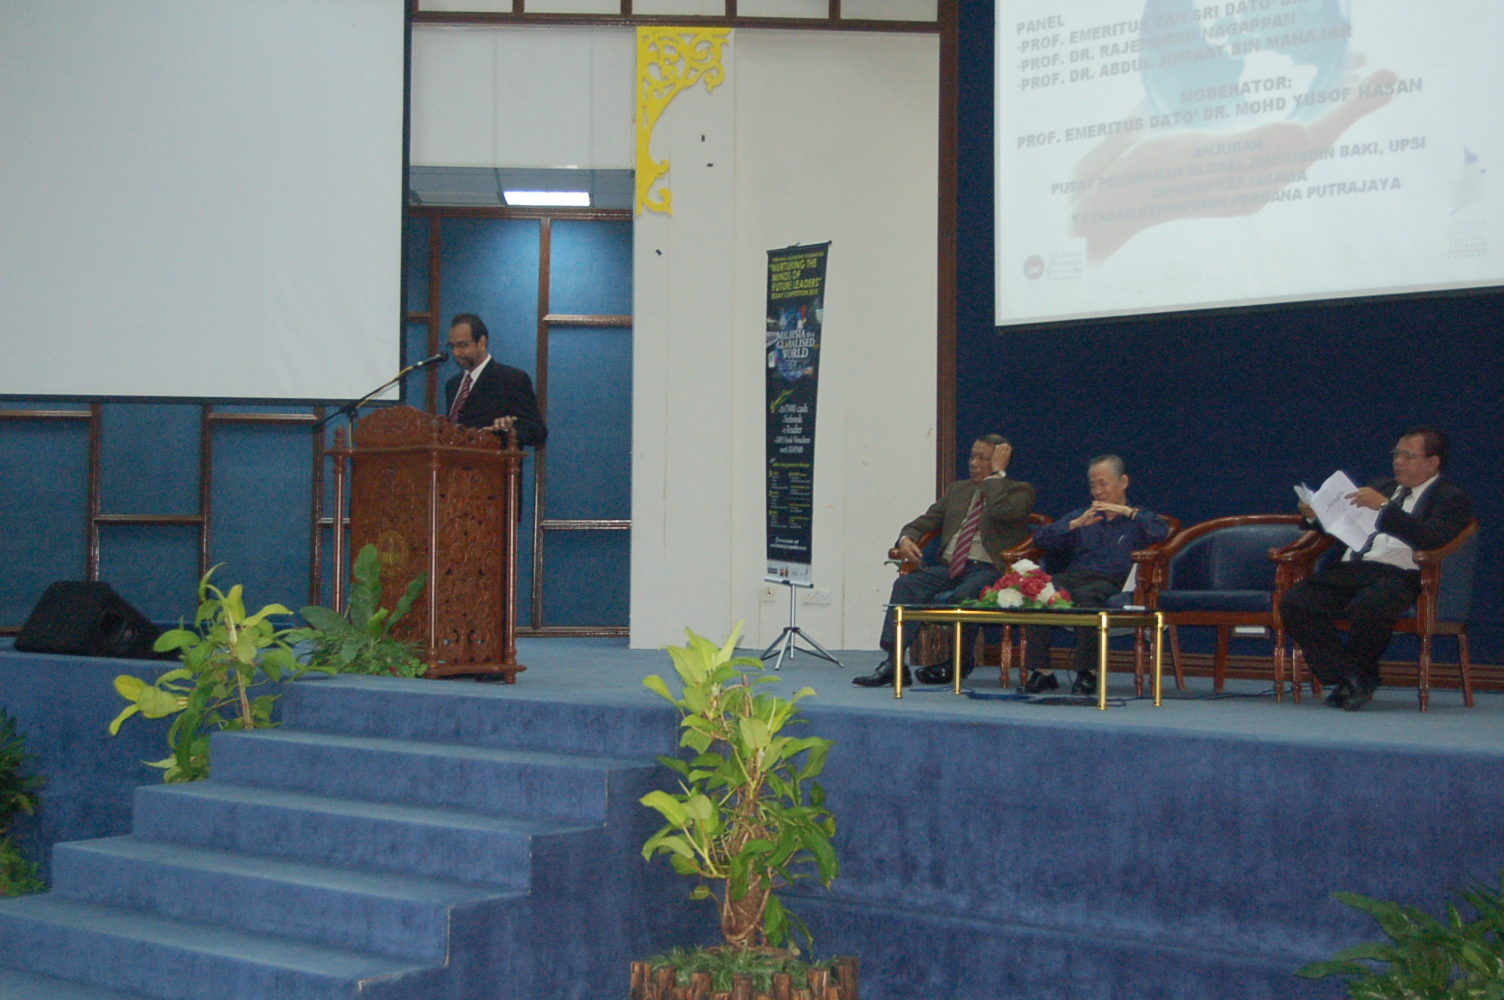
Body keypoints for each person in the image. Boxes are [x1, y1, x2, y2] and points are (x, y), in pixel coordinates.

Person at [1281, 427, 1471, 711]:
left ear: (1433, 462)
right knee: (1296, 601)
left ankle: (1355, 677)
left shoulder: (1449, 497)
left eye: (1408, 456)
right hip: (1356, 568)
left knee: (1371, 604)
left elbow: (1431, 539)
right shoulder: (1382, 486)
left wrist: (1385, 508)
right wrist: (1314, 515)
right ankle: (1349, 675)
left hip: (1403, 573)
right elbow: (1341, 522)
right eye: (1396, 455)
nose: (1398, 462)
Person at [852, 435, 1035, 688]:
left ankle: (959, 662)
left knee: (964, 595)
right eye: (972, 456)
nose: (973, 463)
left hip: (989, 568)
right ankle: (894, 664)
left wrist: (996, 477)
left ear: (999, 460)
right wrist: (906, 538)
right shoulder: (958, 490)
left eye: (982, 458)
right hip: (950, 567)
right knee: (906, 585)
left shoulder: (1020, 491)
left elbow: (1002, 512)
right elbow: (925, 522)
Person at [1018, 455, 1170, 696]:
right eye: (1093, 485)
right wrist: (1075, 524)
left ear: (1123, 482)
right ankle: (1043, 672)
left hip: (1111, 581)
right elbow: (1041, 539)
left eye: (1103, 484)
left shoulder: (1137, 519)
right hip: (1075, 576)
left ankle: (1087, 673)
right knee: (1039, 591)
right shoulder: (1084, 515)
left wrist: (1126, 511)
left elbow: (1162, 531)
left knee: (1087, 598)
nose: (1098, 491)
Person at [443, 313, 547, 448]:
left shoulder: (512, 379)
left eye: (462, 345)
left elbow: (537, 432)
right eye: (452, 346)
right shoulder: (453, 384)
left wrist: (509, 428)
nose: (455, 352)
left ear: (481, 342)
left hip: (494, 460)